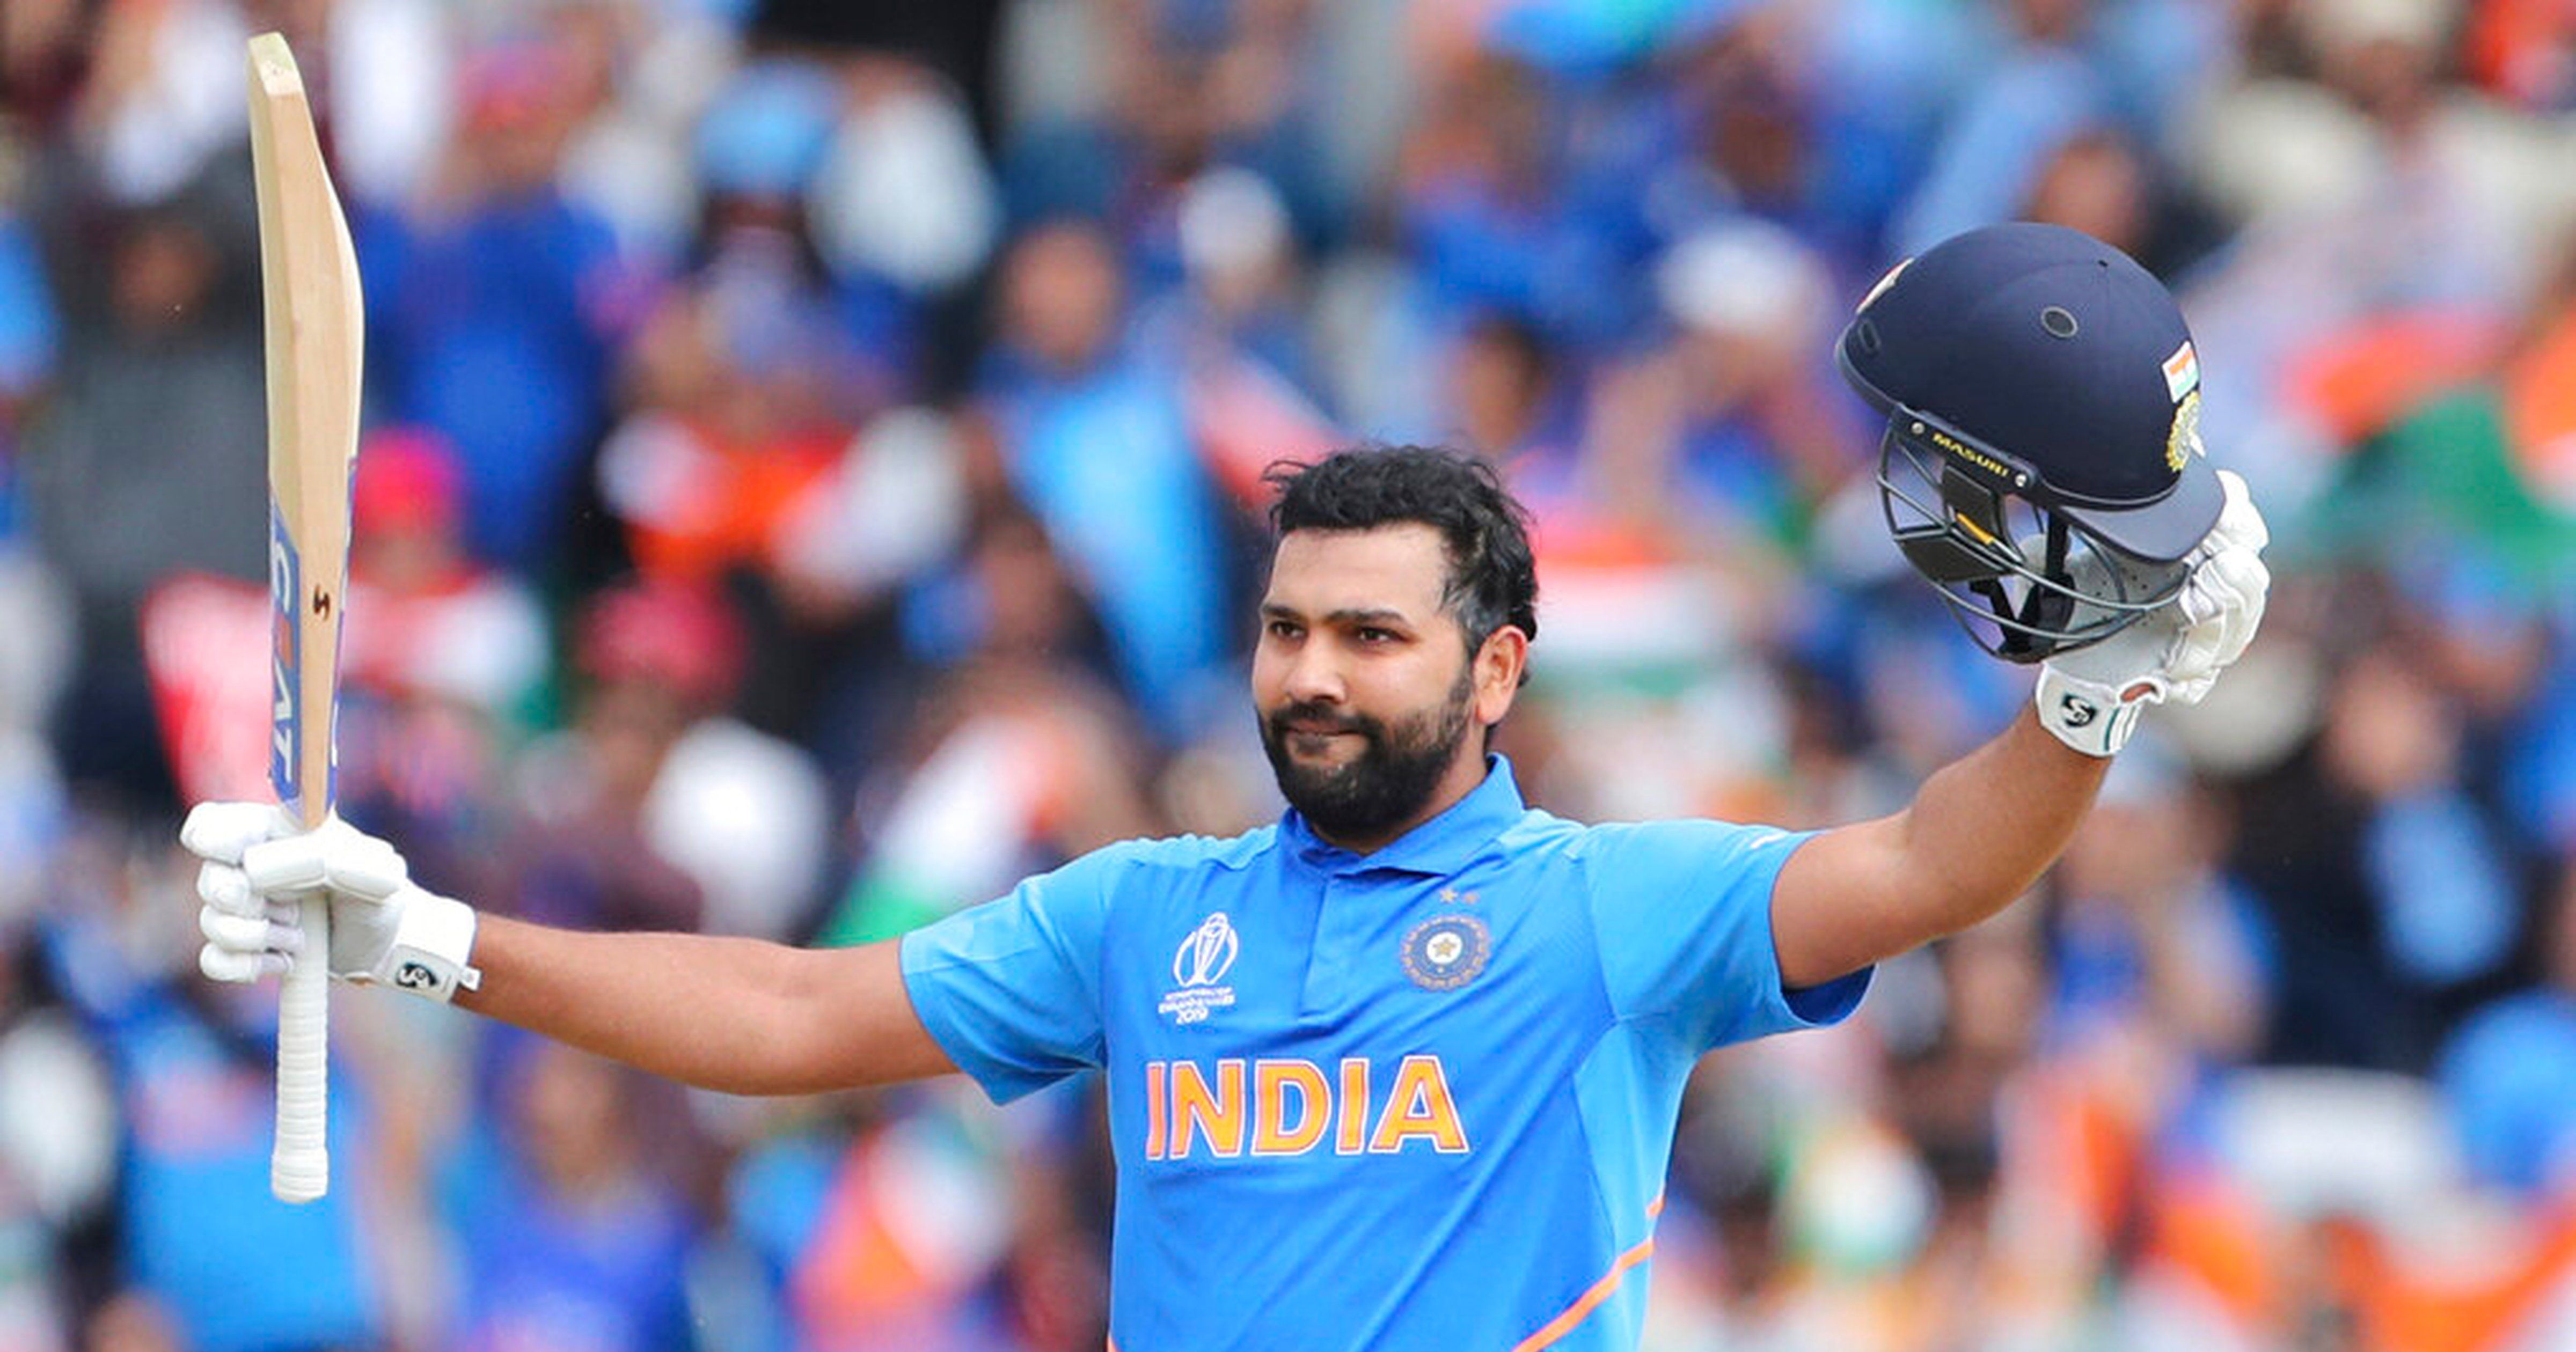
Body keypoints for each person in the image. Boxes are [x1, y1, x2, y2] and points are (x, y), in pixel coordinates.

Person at [179, 223, 2270, 1351]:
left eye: (1373, 636)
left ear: (1496, 669)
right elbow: (793, 1014)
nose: (1315, 675)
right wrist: (428, 938)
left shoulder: (1608, 909)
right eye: (1289, 630)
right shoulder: (1146, 914)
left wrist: (2086, 705)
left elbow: (1927, 865)